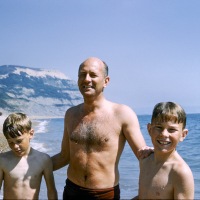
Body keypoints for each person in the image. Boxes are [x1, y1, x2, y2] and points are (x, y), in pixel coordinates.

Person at [51, 57, 152, 199]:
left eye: (93, 75)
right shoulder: (71, 114)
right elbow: (64, 156)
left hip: (105, 195)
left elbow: (144, 157)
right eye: (82, 74)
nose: (86, 79)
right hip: (71, 191)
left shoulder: (122, 114)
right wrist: (32, 164)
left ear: (106, 81)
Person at [137, 102, 194, 199]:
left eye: (172, 130)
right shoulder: (145, 160)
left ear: (183, 134)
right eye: (159, 127)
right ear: (149, 129)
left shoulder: (180, 172)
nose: (164, 134)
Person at [0, 113, 58, 200]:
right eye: (10, 142)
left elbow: (51, 191)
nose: (15, 146)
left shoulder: (44, 160)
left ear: (31, 134)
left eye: (19, 141)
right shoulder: (3, 160)